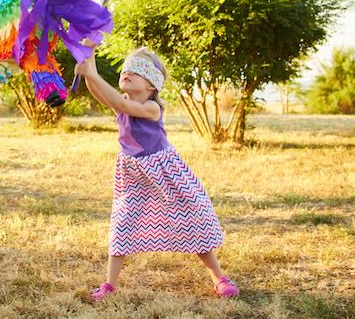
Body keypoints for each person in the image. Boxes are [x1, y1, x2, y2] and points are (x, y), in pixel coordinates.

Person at [74, 46, 239, 301]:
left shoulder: (152, 108)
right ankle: (109, 285)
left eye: (136, 71)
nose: (127, 73)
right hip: (133, 174)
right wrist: (89, 61)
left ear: (151, 85)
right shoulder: (124, 104)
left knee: (190, 219)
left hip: (164, 172)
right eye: (125, 70)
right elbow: (101, 94)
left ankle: (219, 277)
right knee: (122, 223)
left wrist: (91, 74)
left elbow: (115, 100)